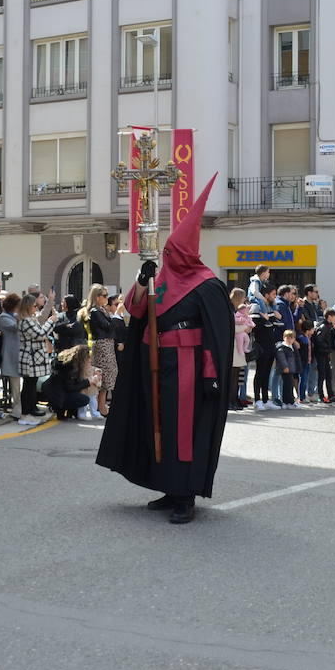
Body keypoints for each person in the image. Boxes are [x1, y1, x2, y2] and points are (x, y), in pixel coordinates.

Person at [96, 177, 233, 524]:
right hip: (155, 366)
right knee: (157, 424)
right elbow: (135, 310)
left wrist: (211, 376)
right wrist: (143, 280)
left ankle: (185, 494)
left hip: (189, 370)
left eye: (173, 252)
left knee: (183, 431)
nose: (169, 256)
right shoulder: (162, 280)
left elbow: (216, 340)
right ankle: (168, 486)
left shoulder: (208, 287)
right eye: (167, 252)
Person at [16, 290, 57, 423]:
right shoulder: (25, 321)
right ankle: (25, 414)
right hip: (30, 357)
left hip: (33, 357)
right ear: (28, 306)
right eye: (34, 306)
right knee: (28, 386)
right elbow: (40, 334)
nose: (36, 307)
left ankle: (28, 412)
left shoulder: (30, 319)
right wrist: (51, 321)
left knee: (31, 385)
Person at [80, 284, 118, 419]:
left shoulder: (101, 310)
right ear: (97, 297)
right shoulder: (95, 312)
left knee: (107, 377)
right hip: (102, 345)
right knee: (103, 377)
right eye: (104, 295)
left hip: (107, 344)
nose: (107, 298)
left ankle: (101, 406)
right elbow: (107, 326)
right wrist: (115, 315)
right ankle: (100, 407)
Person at [42, 344, 98, 421]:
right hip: (56, 395)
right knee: (84, 399)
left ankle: (65, 412)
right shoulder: (70, 367)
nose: (88, 359)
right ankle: (61, 410)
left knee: (76, 394)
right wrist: (88, 382)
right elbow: (71, 387)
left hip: (52, 391)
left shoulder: (66, 362)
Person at [0, 292, 23, 418]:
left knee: (21, 384)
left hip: (20, 353)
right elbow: (16, 327)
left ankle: (22, 408)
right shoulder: (3, 317)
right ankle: (17, 410)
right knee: (15, 385)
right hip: (11, 354)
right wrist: (24, 315)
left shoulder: (15, 315)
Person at [230, 288, 254, 408]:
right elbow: (231, 329)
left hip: (238, 349)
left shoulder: (238, 310)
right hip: (233, 347)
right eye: (243, 297)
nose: (245, 300)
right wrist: (245, 327)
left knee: (237, 376)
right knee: (232, 376)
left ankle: (235, 399)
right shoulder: (231, 310)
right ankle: (230, 400)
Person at [313, 308, 335, 404]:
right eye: (334, 317)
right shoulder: (323, 326)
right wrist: (327, 347)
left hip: (325, 354)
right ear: (329, 317)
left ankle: (330, 395)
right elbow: (319, 340)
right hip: (321, 354)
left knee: (328, 375)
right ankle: (321, 396)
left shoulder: (329, 326)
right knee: (322, 375)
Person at [274, 329, 299, 407]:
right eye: (287, 338)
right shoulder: (282, 347)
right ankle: (288, 402)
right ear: (284, 337)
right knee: (287, 386)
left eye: (291, 338)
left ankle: (289, 401)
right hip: (285, 369)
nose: (289, 339)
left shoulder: (292, 347)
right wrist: (285, 366)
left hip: (291, 369)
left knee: (289, 385)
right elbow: (282, 358)